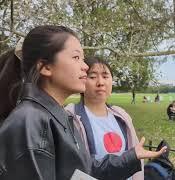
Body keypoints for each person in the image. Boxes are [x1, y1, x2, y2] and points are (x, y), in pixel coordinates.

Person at [0, 25, 166, 180]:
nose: (85, 66)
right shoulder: (30, 122)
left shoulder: (58, 117)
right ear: (45, 67)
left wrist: (132, 156)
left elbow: (84, 170)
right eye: (76, 57)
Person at [65, 56, 143, 180]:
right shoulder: (70, 117)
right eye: (93, 77)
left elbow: (136, 159)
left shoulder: (122, 116)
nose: (100, 82)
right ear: (82, 80)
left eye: (105, 76)